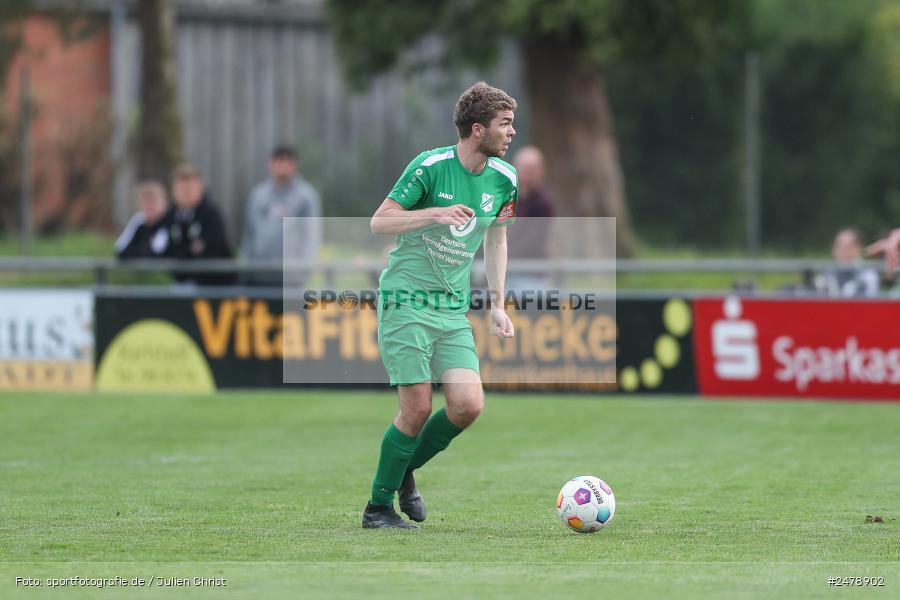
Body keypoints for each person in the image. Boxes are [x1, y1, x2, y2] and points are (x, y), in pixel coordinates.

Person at [362, 82, 518, 529]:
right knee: (416, 410)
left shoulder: (504, 178)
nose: (512, 133)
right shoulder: (430, 166)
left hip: (450, 310)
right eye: (504, 124)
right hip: (406, 300)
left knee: (468, 405)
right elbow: (379, 222)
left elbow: (498, 237)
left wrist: (497, 304)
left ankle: (404, 467)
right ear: (477, 129)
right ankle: (377, 507)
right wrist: (435, 213)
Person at [242, 146, 321, 287]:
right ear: (270, 164)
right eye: (278, 160)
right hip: (259, 275)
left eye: (287, 161)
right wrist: (246, 267)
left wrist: (303, 271)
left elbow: (311, 237)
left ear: (295, 165)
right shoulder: (258, 195)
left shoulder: (306, 197)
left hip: (291, 278)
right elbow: (250, 234)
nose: (282, 166)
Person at [166, 163, 236, 286]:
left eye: (190, 187)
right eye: (182, 188)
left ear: (200, 187)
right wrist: (191, 250)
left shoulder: (210, 214)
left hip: (216, 285)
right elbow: (168, 249)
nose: (186, 192)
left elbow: (213, 248)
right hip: (182, 281)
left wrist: (186, 253)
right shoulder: (170, 215)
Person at [506, 145, 556, 293]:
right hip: (503, 272)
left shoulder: (543, 203)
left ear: (541, 171)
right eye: (524, 169)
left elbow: (530, 241)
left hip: (531, 275)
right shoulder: (507, 197)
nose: (527, 175)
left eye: (531, 169)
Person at [115, 181, 171, 259]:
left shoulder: (170, 222)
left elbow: (157, 254)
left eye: (153, 202)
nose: (150, 206)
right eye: (146, 202)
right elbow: (120, 249)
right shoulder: (138, 221)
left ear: (163, 204)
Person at [820, 228, 879, 297]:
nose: (845, 252)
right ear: (834, 249)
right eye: (840, 247)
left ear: (859, 248)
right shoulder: (827, 273)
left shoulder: (868, 275)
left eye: (849, 247)